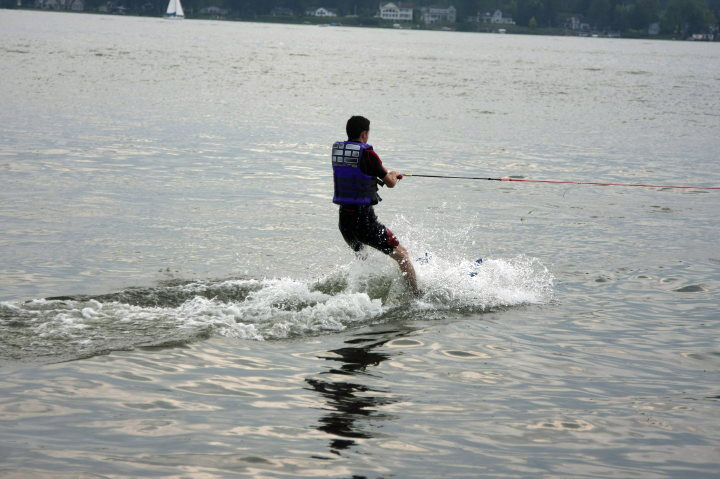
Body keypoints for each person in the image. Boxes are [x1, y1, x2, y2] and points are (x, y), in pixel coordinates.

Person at [331, 116, 419, 296]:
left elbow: (366, 169)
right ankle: (417, 296)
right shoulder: (368, 154)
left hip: (345, 223)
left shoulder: (339, 151)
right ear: (364, 134)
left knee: (363, 258)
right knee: (402, 255)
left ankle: (358, 295)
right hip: (364, 222)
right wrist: (393, 174)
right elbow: (390, 183)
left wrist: (385, 171)